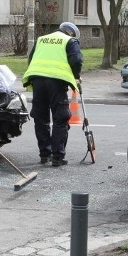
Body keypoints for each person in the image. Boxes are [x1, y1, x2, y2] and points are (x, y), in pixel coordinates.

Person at [21, 22, 83, 167]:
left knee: (41, 118)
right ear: (72, 33)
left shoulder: (41, 39)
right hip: (56, 82)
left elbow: (31, 59)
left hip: (37, 80)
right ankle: (57, 156)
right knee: (61, 118)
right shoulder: (70, 41)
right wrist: (76, 75)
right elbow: (76, 60)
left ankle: (45, 155)